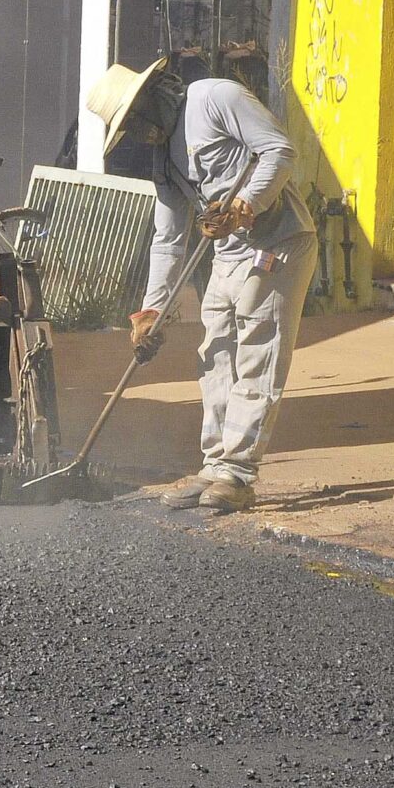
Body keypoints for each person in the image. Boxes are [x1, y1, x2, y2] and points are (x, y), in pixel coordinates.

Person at [87, 57, 318, 513]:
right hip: (228, 256)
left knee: (257, 356)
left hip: (278, 243)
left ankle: (238, 474)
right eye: (127, 128)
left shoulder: (216, 98)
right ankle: (214, 466)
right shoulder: (164, 165)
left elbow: (279, 151)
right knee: (214, 357)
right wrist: (152, 312)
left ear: (153, 94)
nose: (137, 132)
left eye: (134, 119)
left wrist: (244, 206)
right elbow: (168, 240)